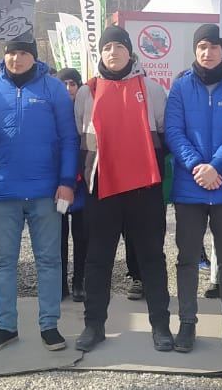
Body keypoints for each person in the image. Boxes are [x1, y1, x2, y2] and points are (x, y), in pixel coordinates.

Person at [0, 35, 77, 353]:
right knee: (3, 263)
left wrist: (67, 180)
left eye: (23, 54)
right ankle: (6, 326)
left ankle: (50, 325)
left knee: (49, 261)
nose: (16, 59)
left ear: (34, 58)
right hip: (2, 190)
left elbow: (69, 138)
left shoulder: (53, 88)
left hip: (44, 191)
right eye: (11, 53)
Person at [73, 25, 172, 352]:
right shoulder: (87, 92)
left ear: (130, 51)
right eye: (106, 48)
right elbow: (80, 139)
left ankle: (160, 325)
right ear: (99, 54)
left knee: (151, 258)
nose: (112, 52)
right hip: (102, 187)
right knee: (97, 259)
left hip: (144, 188)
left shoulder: (153, 89)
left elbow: (164, 136)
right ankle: (94, 325)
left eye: (118, 46)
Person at [164, 24, 222, 354]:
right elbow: (174, 133)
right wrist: (197, 167)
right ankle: (187, 324)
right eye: (202, 46)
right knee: (188, 258)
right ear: (195, 50)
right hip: (191, 188)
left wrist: (216, 166)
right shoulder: (180, 88)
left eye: (213, 46)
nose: (207, 52)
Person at [56, 68, 89, 302]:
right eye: (64, 83)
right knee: (58, 235)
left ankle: (80, 281)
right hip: (58, 184)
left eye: (73, 84)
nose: (68, 88)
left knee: (83, 235)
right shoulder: (52, 110)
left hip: (84, 185)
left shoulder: (87, 109)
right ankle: (60, 284)